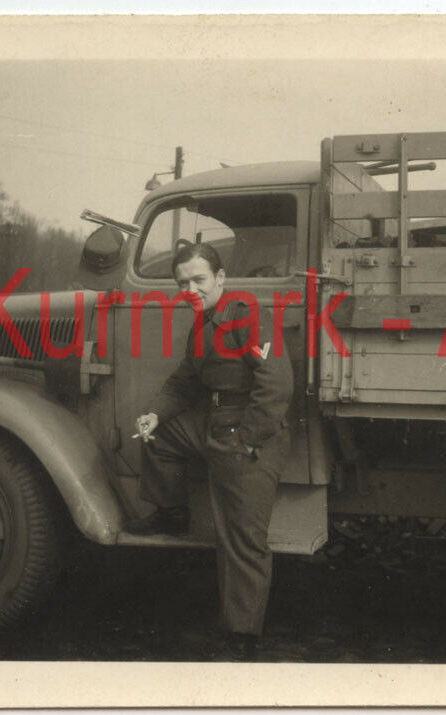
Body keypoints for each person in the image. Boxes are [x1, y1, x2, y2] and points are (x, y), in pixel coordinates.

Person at [129, 242, 294, 661]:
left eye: (199, 280)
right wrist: (153, 414)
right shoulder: (201, 326)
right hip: (215, 421)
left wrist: (246, 441)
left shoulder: (247, 314)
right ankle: (172, 511)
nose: (191, 289)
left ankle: (242, 635)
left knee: (241, 537)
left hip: (250, 428)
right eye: (182, 283)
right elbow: (183, 384)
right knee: (159, 436)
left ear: (220, 279)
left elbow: (275, 384)